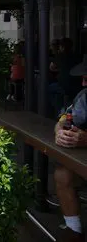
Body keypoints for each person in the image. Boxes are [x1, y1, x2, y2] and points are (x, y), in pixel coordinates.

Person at [54, 55, 87, 241]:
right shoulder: (84, 97)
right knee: (62, 174)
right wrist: (60, 131)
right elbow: (64, 118)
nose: (83, 83)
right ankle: (74, 230)